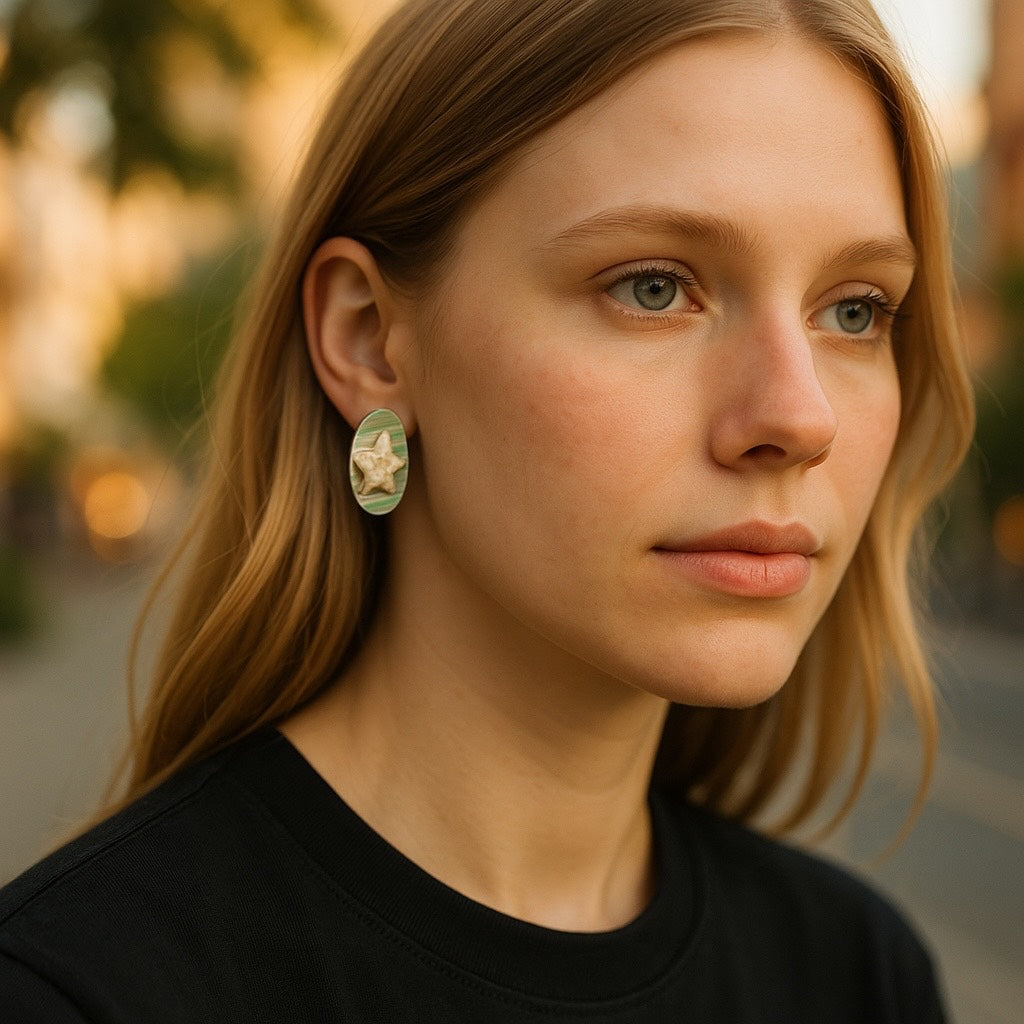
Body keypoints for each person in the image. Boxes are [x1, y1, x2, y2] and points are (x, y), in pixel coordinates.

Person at [0, 0, 975, 1020]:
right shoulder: (76, 993)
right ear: (370, 339)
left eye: (855, 310)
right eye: (651, 287)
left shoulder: (858, 977)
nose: (797, 415)